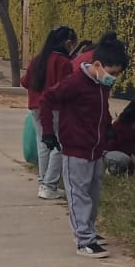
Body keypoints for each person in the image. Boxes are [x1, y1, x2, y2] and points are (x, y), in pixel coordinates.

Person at [37, 33, 129, 256]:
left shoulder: (101, 85)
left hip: (96, 149)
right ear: (97, 65)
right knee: (78, 194)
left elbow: (102, 108)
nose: (114, 78)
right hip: (75, 148)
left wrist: (108, 126)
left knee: (93, 194)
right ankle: (84, 240)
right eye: (112, 73)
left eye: (117, 74)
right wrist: (49, 131)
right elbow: (47, 99)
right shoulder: (75, 83)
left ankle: (89, 229)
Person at [23, 25, 77, 200]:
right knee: (59, 145)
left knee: (43, 144)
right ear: (68, 43)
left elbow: (25, 81)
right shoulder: (63, 63)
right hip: (54, 109)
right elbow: (66, 88)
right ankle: (49, 185)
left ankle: (43, 183)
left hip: (36, 108)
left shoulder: (38, 59)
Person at [104, 96, 135, 176]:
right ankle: (111, 170)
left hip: (128, 153)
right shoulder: (121, 126)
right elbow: (125, 149)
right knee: (123, 159)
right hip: (112, 153)